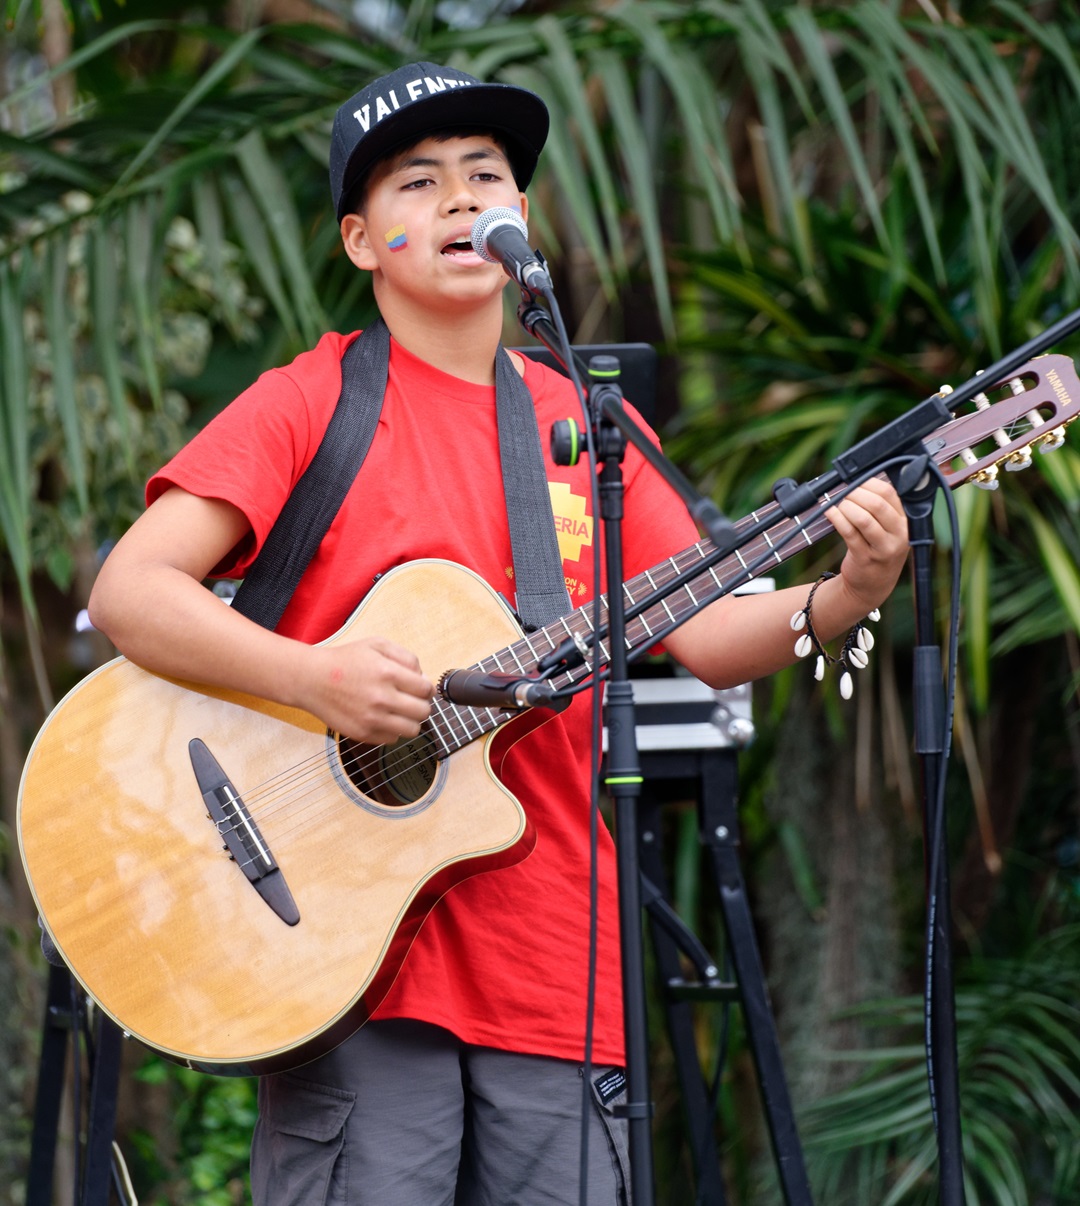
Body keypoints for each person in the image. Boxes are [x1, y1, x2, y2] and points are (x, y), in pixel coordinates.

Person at [88, 61, 910, 1206]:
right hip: (352, 956)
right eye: (418, 183)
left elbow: (712, 630)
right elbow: (133, 591)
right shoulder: (309, 400)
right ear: (361, 241)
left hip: (555, 958)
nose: (462, 199)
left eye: (486, 176)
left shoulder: (584, 427)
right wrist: (314, 677)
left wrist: (845, 595)